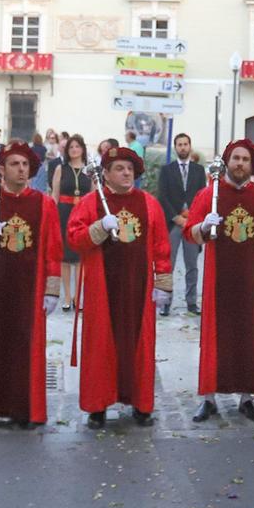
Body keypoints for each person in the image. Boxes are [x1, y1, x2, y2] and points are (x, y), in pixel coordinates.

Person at [186, 139, 254, 422]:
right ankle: (208, 397)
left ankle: (247, 397)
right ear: (227, 163)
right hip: (218, 281)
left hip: (253, 282)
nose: (240, 164)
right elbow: (189, 232)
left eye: (244, 159)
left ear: (252, 165)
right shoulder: (210, 194)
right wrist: (204, 226)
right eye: (235, 159)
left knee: (250, 338)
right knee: (213, 338)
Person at [69, 147, 173, 427]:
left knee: (140, 345)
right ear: (105, 174)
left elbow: (162, 246)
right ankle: (97, 405)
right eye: (118, 168)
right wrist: (100, 227)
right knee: (99, 344)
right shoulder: (92, 204)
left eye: (129, 169)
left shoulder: (149, 204)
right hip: (103, 289)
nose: (126, 173)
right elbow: (75, 238)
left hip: (139, 288)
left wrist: (163, 283)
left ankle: (141, 404)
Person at [0, 141, 62, 429]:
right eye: (15, 164)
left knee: (27, 348)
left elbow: (53, 249)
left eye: (25, 164)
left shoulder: (44, 204)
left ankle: (27, 410)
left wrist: (51, 290)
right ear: (2, 169)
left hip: (30, 288)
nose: (21, 169)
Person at [153, 133, 207, 315]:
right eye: (179, 144)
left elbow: (202, 196)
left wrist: (192, 218)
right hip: (173, 223)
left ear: (190, 146)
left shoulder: (199, 171)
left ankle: (191, 302)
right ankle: (166, 302)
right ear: (175, 147)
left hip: (192, 225)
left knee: (192, 264)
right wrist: (176, 217)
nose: (183, 147)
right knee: (169, 263)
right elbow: (162, 196)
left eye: (185, 144)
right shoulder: (167, 170)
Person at [50, 134, 94, 313]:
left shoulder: (89, 170)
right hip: (64, 212)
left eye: (77, 146)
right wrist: (52, 215)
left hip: (82, 214)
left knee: (80, 258)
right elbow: (55, 194)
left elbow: (93, 194)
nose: (74, 150)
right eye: (71, 147)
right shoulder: (61, 169)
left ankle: (78, 296)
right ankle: (67, 295)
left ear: (82, 149)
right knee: (66, 258)